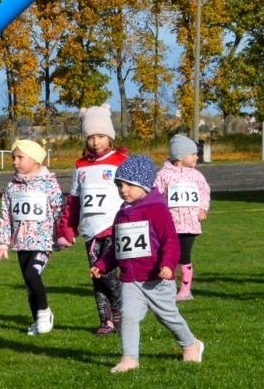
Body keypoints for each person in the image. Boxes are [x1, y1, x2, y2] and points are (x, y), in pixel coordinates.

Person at [91, 155, 203, 372]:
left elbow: (170, 241)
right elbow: (118, 246)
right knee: (128, 316)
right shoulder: (121, 214)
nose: (123, 190)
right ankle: (130, 359)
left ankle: (191, 344)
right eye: (120, 185)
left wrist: (168, 265)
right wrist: (103, 265)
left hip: (156, 277)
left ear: (144, 184)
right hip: (130, 279)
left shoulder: (157, 209)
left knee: (167, 316)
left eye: (129, 185)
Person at [64, 105, 129, 334]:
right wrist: (67, 230)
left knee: (109, 273)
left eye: (100, 136)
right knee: (96, 276)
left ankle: (121, 311)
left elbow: (135, 192)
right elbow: (73, 200)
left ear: (109, 137)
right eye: (90, 137)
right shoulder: (80, 166)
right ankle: (105, 320)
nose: (95, 142)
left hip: (114, 228)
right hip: (90, 231)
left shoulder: (120, 160)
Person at [0, 139, 65, 335]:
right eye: (13, 157)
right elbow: (5, 215)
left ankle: (44, 313)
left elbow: (59, 210)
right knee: (30, 283)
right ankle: (37, 320)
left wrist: (63, 235)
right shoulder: (12, 187)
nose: (15, 161)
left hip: (43, 242)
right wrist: (2, 244)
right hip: (21, 243)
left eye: (20, 157)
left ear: (35, 160)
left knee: (33, 274)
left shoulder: (49, 184)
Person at [153, 134, 212, 301]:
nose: (197, 157)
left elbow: (204, 192)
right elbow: (156, 195)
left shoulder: (197, 176)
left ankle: (185, 290)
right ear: (180, 156)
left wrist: (203, 208)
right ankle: (166, 288)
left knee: (184, 256)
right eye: (193, 154)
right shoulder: (163, 175)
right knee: (167, 255)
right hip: (170, 225)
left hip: (190, 225)